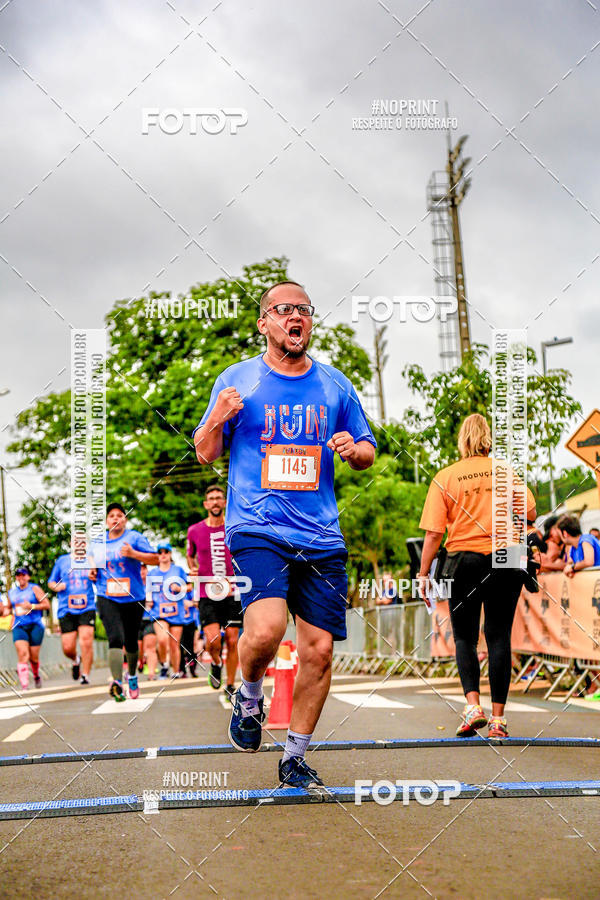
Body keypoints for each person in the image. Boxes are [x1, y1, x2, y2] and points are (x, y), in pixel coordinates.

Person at [194, 280, 376, 788]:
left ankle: (294, 756)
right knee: (268, 628)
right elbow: (206, 451)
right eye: (284, 310)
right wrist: (218, 417)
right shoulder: (237, 380)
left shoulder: (335, 385)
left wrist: (351, 448)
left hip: (320, 533)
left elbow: (367, 450)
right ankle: (249, 694)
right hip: (256, 526)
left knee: (318, 649)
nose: (296, 317)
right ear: (265, 323)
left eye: (304, 310)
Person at [418, 413, 536, 740]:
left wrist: (423, 573)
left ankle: (473, 707)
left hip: (464, 559)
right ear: (488, 438)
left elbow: (433, 534)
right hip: (507, 557)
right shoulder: (505, 471)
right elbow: (529, 512)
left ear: (462, 440)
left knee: (464, 636)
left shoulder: (446, 476)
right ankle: (499, 721)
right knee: (499, 637)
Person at [92, 503, 158, 701]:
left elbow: (155, 559)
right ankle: (117, 682)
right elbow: (90, 561)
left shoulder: (134, 538)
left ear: (125, 520)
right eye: (111, 515)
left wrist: (134, 554)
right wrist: (91, 569)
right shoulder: (98, 541)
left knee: (130, 640)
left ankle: (132, 675)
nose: (115, 518)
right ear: (106, 521)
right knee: (115, 637)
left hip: (133, 596)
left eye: (119, 515)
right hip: (107, 596)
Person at [187, 484, 241, 700]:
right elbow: (190, 555)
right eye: (212, 498)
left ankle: (230, 685)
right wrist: (192, 567)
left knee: (233, 639)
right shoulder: (194, 530)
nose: (216, 501)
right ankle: (216, 663)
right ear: (206, 504)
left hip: (233, 590)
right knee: (212, 642)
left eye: (219, 497)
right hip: (206, 592)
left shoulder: (233, 527)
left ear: (225, 502)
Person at [48, 538, 97, 685]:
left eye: (82, 542)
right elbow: (51, 582)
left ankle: (85, 675)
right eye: (76, 541)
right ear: (70, 544)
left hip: (87, 606)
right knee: (68, 647)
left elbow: (98, 579)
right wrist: (57, 587)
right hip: (66, 608)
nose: (79, 544)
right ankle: (76, 660)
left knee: (86, 641)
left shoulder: (91, 560)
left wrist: (94, 574)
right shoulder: (62, 561)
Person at [2, 566, 50, 690]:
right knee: (23, 654)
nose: (21, 577)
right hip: (19, 626)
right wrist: (6, 611)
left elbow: (47, 605)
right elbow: (8, 607)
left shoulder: (35, 588)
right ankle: (24, 685)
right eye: (18, 575)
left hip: (35, 625)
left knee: (33, 658)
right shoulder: (12, 592)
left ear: (28, 576)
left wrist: (32, 606)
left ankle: (36, 675)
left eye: (23, 574)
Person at [147, 542, 189, 679]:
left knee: (174, 644)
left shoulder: (178, 570)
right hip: (159, 611)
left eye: (166, 552)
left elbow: (190, 586)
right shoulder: (152, 573)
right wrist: (149, 600)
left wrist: (180, 588)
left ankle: (176, 671)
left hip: (176, 611)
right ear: (157, 555)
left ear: (170, 554)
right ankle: (164, 664)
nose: (163, 555)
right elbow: (148, 590)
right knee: (162, 639)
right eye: (160, 552)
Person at [137, 564, 158, 680]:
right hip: (136, 620)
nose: (142, 571)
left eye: (144, 568)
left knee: (150, 647)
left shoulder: (153, 585)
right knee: (138, 648)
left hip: (150, 619)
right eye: (139, 569)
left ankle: (151, 674)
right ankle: (140, 660)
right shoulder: (133, 585)